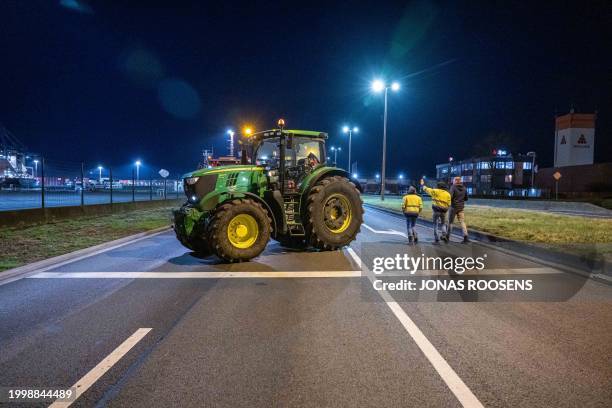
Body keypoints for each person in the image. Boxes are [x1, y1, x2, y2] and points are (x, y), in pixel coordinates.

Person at [448, 176, 469, 243]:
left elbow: (450, 197)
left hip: (453, 207)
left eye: (453, 180)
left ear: (455, 181)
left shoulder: (453, 187)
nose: (453, 181)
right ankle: (465, 237)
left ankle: (447, 237)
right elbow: (466, 198)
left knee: (450, 222)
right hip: (461, 207)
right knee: (462, 222)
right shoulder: (464, 188)